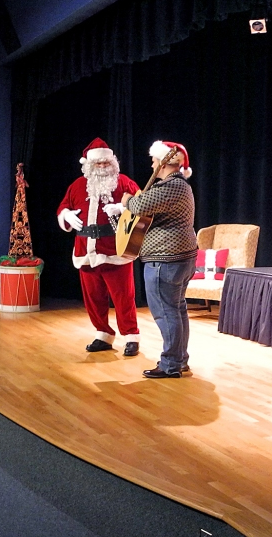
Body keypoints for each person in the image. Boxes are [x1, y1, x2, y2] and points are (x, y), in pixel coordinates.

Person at [57, 138, 142, 355]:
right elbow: (63, 208)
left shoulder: (124, 183)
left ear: (112, 163)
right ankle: (103, 333)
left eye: (106, 163)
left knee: (123, 297)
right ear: (89, 165)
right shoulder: (77, 186)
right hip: (85, 250)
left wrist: (124, 209)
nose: (102, 167)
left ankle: (131, 336)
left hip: (115, 249)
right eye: (98, 164)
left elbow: (143, 205)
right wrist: (66, 215)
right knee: (93, 298)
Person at [122, 141, 198, 378]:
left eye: (154, 160)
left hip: (166, 260)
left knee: (166, 312)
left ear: (164, 163)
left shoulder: (172, 186)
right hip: (179, 258)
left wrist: (126, 200)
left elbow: (139, 204)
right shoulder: (178, 186)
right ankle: (179, 360)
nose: (152, 164)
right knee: (176, 310)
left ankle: (170, 364)